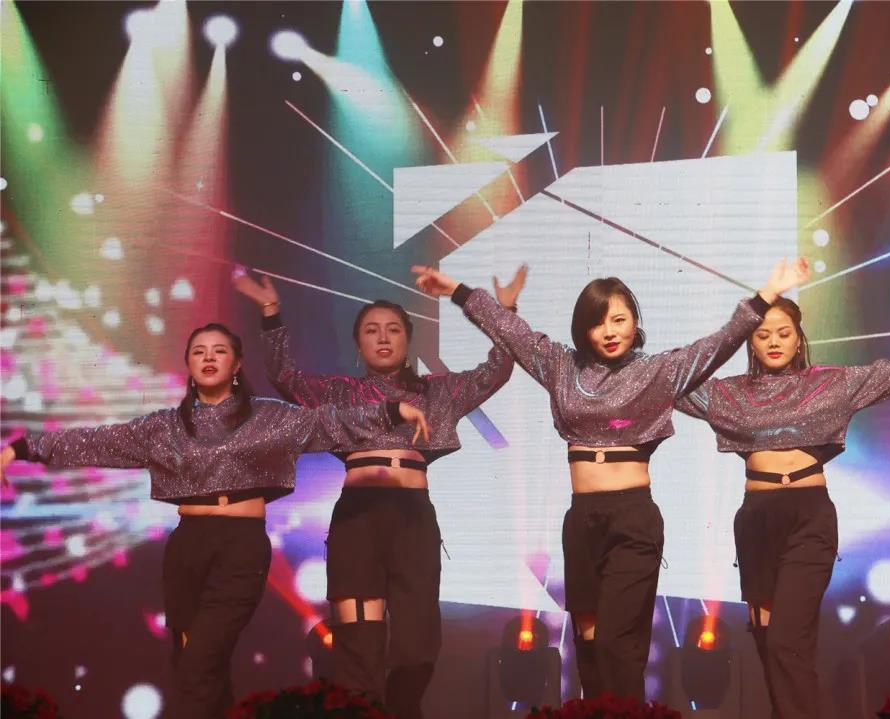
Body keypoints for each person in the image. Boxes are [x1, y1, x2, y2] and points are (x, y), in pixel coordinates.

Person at [411, 259, 809, 700]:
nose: (609, 331)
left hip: (632, 520)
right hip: (583, 519)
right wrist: (457, 290)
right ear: (583, 330)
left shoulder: (657, 371)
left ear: (635, 322)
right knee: (589, 639)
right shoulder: (561, 366)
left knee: (618, 639)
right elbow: (512, 332)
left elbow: (720, 342)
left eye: (619, 319)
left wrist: (767, 293)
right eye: (598, 323)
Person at [0, 323, 429, 719]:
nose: (208, 357)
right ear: (188, 363)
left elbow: (327, 421)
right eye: (199, 351)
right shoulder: (163, 427)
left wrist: (391, 412)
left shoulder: (269, 416)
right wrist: (21, 448)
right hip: (188, 546)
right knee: (197, 664)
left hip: (240, 547)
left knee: (199, 662)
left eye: (219, 351)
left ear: (236, 364)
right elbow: (97, 441)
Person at [675, 292, 890, 719]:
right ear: (749, 341)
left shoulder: (831, 384)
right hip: (756, 522)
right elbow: (669, 384)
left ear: (798, 338)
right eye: (762, 335)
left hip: (808, 519)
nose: (773, 342)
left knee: (786, 641)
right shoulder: (731, 394)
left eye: (783, 333)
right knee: (770, 642)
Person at [233, 273, 519, 719]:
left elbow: (497, 369)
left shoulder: (437, 392)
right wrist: (271, 312)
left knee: (417, 643)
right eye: (372, 330)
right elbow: (284, 375)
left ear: (407, 339)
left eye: (393, 329)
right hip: (357, 520)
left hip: (411, 520)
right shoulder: (340, 393)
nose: (383, 338)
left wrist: (505, 312)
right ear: (358, 344)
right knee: (357, 640)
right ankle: (362, 711)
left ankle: (400, 710)